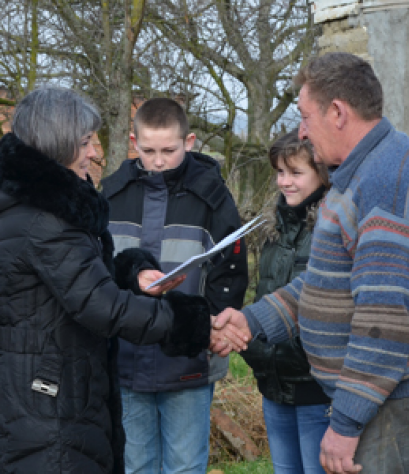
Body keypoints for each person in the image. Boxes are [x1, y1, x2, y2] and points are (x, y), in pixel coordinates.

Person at [212, 52, 409, 474]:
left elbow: (382, 324)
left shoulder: (385, 185)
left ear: (338, 113)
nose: (302, 132)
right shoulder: (358, 173)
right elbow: (329, 281)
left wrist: (345, 423)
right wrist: (254, 320)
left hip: (387, 405)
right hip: (373, 397)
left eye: (306, 117)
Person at [0, 85, 214, 474]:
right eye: (85, 142)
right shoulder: (45, 218)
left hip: (43, 396)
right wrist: (192, 322)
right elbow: (101, 308)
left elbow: (72, 284)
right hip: (49, 409)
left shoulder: (36, 206)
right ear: (58, 144)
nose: (93, 152)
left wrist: (132, 276)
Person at [101, 97, 249, 474]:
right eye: (148, 150)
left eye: (169, 149)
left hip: (189, 357)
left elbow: (229, 271)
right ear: (133, 142)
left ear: (190, 141)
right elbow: (97, 268)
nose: (159, 160)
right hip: (126, 355)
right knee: (135, 465)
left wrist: (215, 328)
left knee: (184, 466)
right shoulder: (111, 194)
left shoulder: (212, 197)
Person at [239, 129, 331, 474]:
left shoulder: (330, 229)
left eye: (295, 173)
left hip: (315, 387)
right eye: (280, 172)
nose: (285, 182)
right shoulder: (273, 230)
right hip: (274, 382)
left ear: (321, 174)